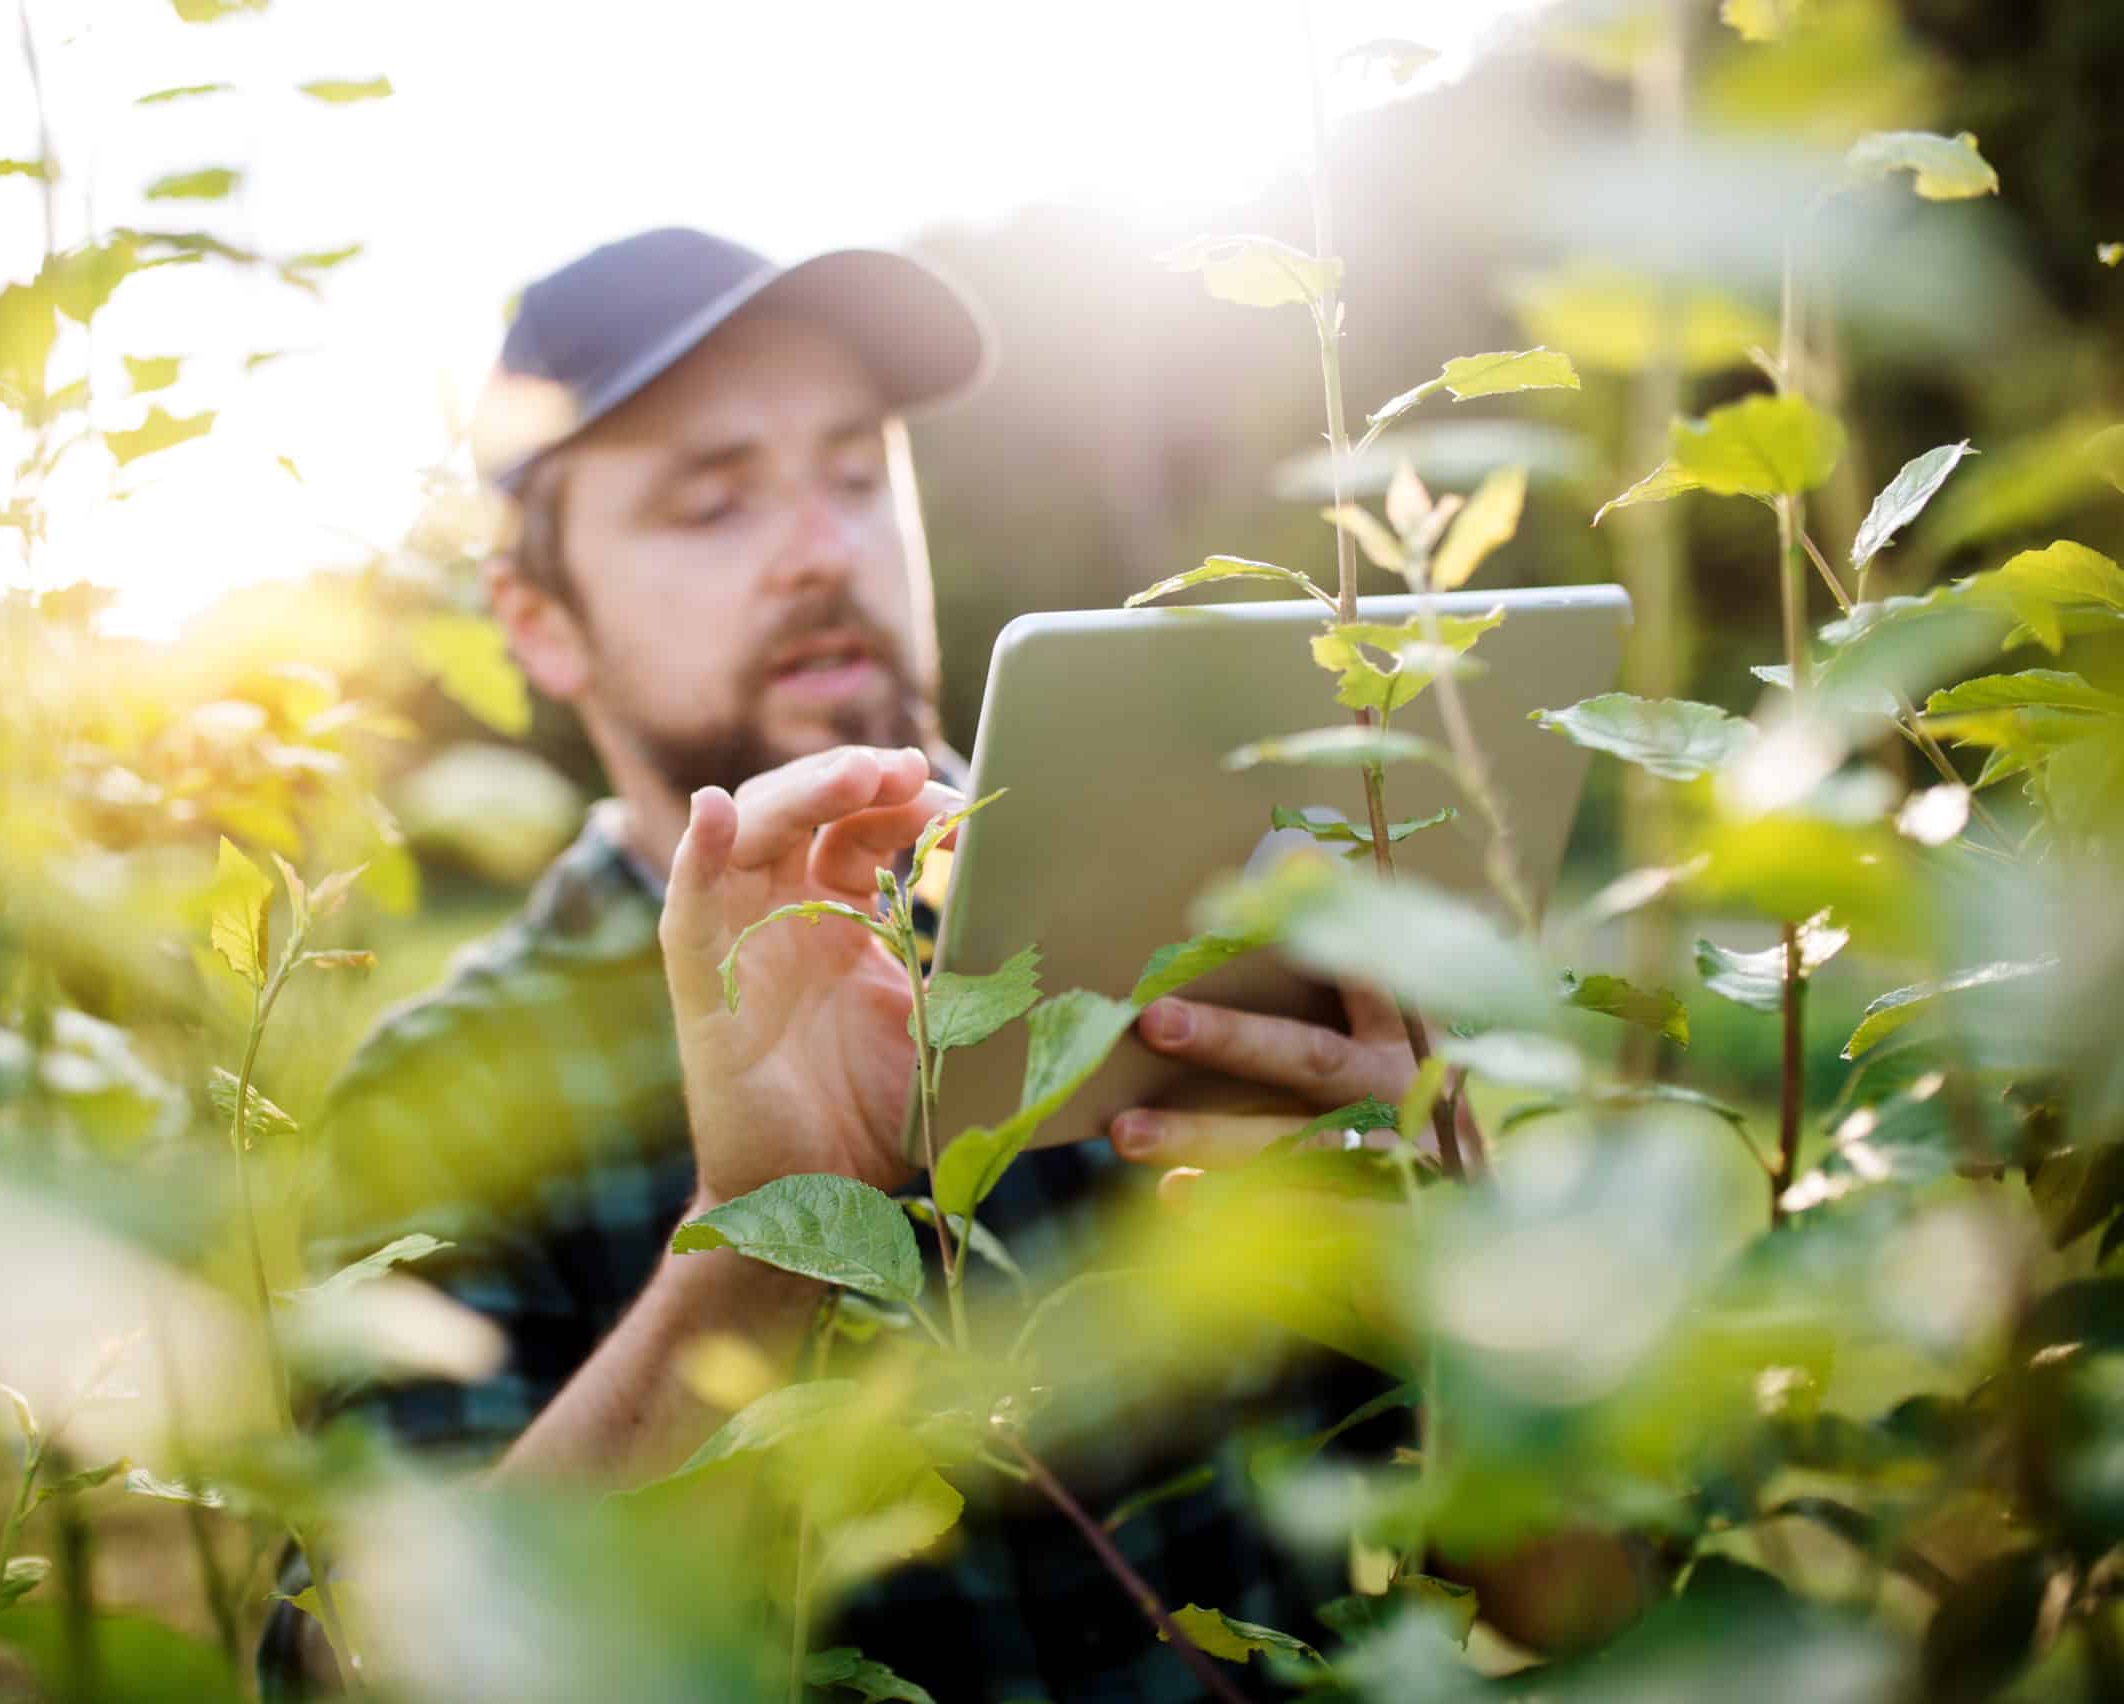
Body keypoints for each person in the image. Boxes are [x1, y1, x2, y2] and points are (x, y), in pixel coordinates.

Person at [271, 227, 1442, 1700]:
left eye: (854, 474)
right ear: (542, 626)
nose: (824, 550)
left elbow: (1580, 1593)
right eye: (711, 506)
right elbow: (363, 1673)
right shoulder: (442, 1090)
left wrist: (1444, 1257)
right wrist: (759, 1234)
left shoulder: (1217, 913)